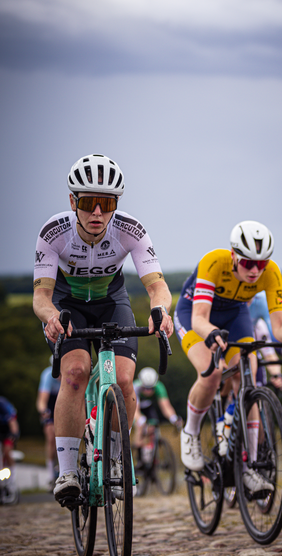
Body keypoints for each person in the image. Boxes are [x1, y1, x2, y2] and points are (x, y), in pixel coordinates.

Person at [33, 153, 173, 503]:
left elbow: (157, 287)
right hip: (69, 308)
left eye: (106, 203)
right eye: (90, 203)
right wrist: (51, 317)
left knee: (124, 380)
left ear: (115, 204)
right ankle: (67, 472)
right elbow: (41, 296)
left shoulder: (131, 230)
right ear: (73, 201)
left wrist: (160, 311)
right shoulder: (54, 233)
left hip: (113, 303)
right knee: (75, 373)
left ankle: (113, 460)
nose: (98, 213)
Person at [174, 220, 282, 492]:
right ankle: (190, 432)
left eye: (260, 264)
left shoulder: (271, 272)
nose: (254, 270)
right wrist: (212, 332)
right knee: (212, 373)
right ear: (234, 255)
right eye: (248, 263)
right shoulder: (214, 262)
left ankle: (247, 466)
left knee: (248, 374)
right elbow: (200, 318)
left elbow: (279, 325)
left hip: (235, 314)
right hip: (194, 315)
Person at [248, 291, 282, 392]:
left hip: (253, 331)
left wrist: (276, 375)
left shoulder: (260, 300)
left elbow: (269, 352)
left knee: (257, 375)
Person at [132, 367, 183, 463]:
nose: (148, 391)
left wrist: (174, 419)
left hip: (148, 407)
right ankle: (139, 457)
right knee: (140, 426)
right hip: (136, 408)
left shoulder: (159, 387)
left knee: (153, 425)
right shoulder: (135, 387)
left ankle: (152, 455)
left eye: (151, 388)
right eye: (145, 388)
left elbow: (165, 406)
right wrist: (141, 420)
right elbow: (135, 410)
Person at [36, 358, 61, 491]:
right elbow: (42, 400)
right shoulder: (47, 375)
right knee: (51, 438)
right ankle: (51, 475)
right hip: (51, 404)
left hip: (63, 403)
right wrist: (44, 412)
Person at [0, 396, 19, 490]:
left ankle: (11, 481)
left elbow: (12, 422)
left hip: (7, 432)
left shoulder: (3, 404)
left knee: (7, 452)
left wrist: (14, 434)